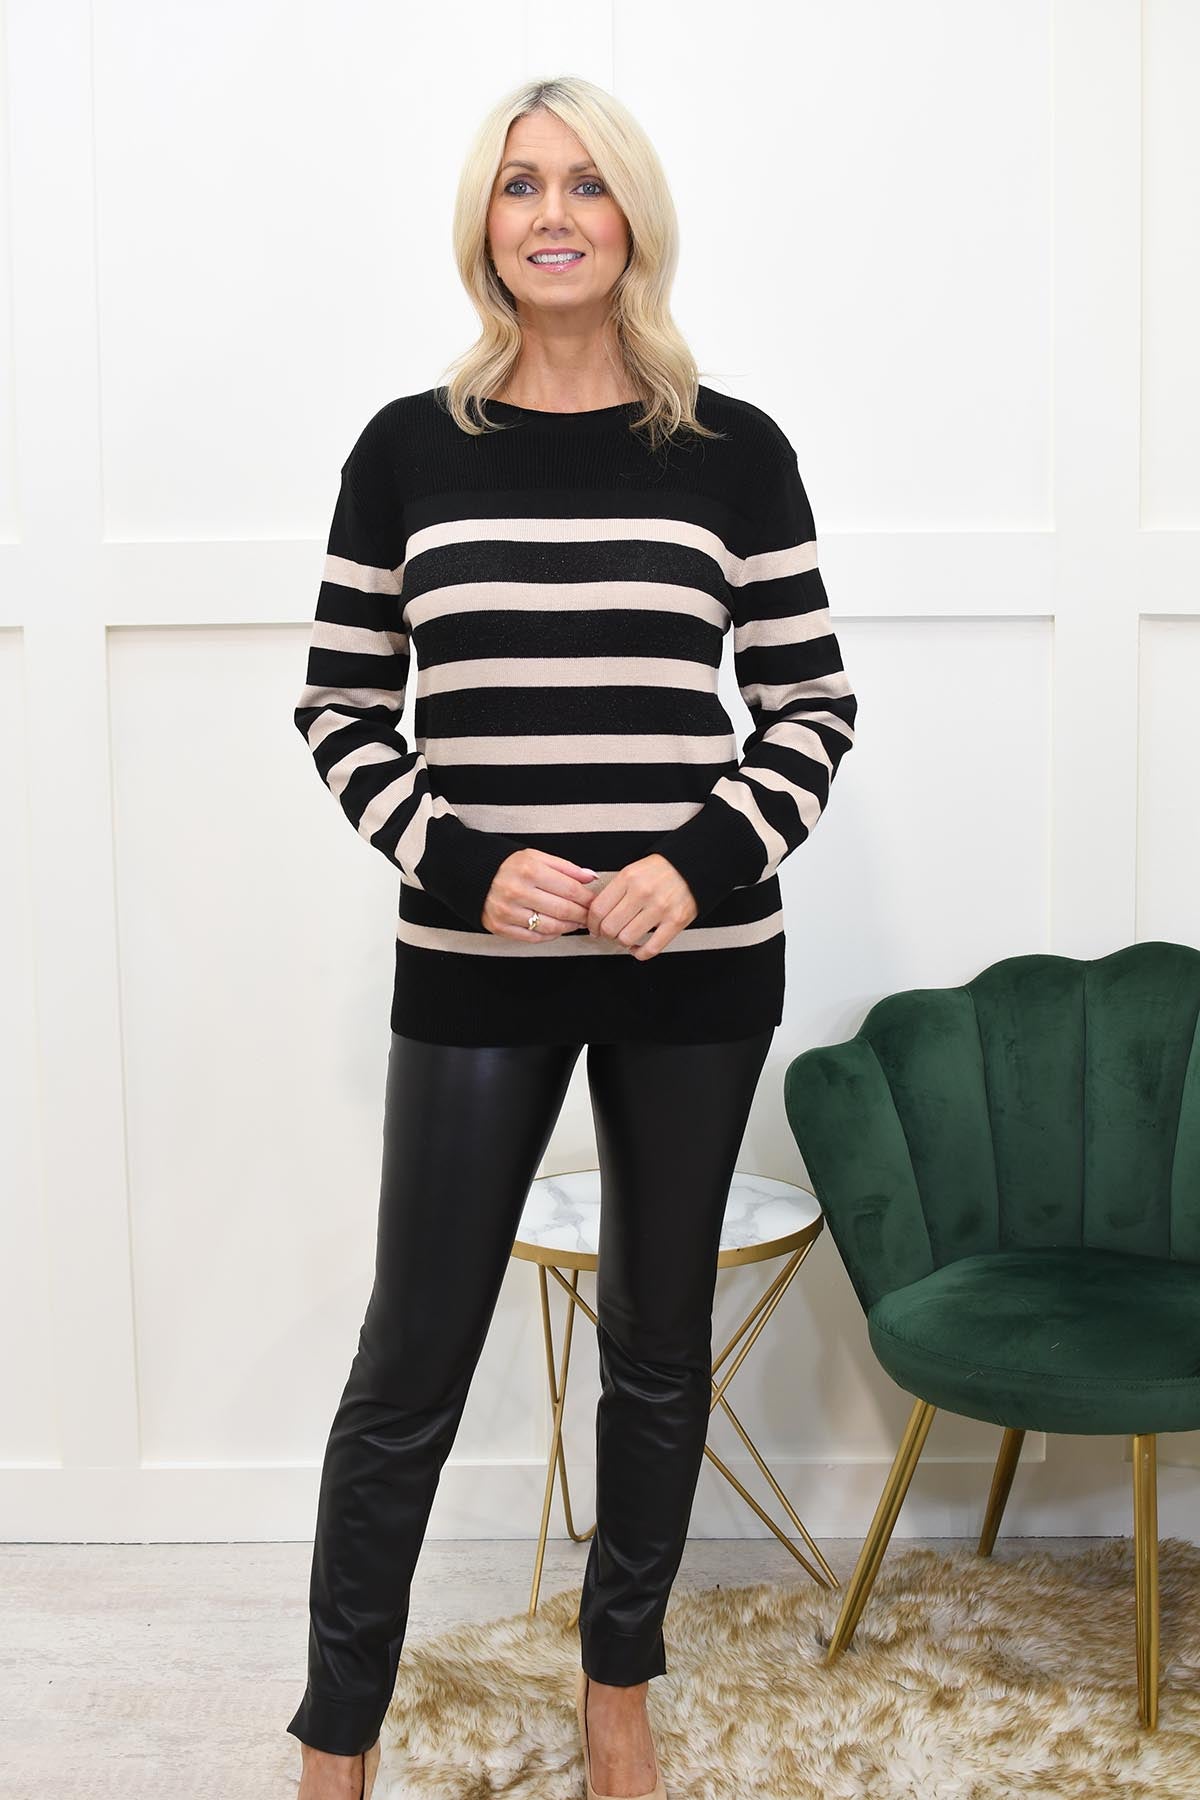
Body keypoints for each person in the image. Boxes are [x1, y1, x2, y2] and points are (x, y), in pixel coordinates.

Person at [286, 73, 857, 1800]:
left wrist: (699, 863)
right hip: (475, 969)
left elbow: (813, 707)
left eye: (587, 185)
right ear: (485, 223)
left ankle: (620, 1687)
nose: (553, 214)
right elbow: (339, 706)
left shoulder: (733, 451)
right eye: (521, 184)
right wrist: (461, 864)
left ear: (632, 222)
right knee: (412, 1357)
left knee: (656, 1348)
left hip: (695, 967)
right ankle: (336, 1732)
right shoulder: (406, 450)